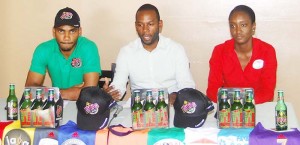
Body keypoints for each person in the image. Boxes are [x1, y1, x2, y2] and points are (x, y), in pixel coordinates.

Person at [103, 4, 195, 104]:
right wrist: (111, 93)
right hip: (138, 108)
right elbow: (119, 85)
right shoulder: (126, 52)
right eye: (140, 25)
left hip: (171, 106)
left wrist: (177, 95)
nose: (145, 30)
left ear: (160, 24)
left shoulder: (176, 50)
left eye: (150, 24)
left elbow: (187, 85)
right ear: (136, 26)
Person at [25, 7, 101, 101]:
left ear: (79, 32)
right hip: (55, 103)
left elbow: (89, 93)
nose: (66, 37)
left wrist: (51, 93)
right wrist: (65, 93)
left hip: (85, 105)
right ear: (54, 32)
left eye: (72, 31)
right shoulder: (43, 49)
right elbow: (30, 89)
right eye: (61, 31)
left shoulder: (89, 47)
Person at [206, 5, 277, 104]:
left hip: (258, 108)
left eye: (243, 25)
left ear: (253, 27)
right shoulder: (220, 51)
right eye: (233, 26)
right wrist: (235, 104)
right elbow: (212, 91)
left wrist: (237, 101)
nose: (238, 31)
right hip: (228, 109)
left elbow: (267, 92)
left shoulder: (267, 51)